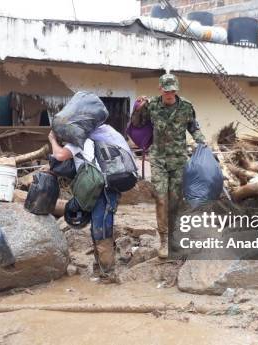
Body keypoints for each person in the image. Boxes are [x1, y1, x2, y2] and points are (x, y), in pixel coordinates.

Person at [131, 73, 206, 258]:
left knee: (175, 199)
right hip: (158, 159)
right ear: (160, 89)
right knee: (160, 197)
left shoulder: (187, 107)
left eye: (173, 90)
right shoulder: (153, 105)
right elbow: (137, 124)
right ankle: (164, 240)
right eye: (166, 91)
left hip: (178, 159)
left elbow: (194, 127)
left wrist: (201, 142)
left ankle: (175, 237)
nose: (170, 94)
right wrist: (138, 108)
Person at [48, 124, 131, 278]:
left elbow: (59, 156)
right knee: (99, 227)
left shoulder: (79, 142)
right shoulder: (100, 137)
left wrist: (52, 140)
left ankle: (109, 274)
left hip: (101, 191)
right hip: (105, 190)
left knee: (101, 230)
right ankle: (100, 268)